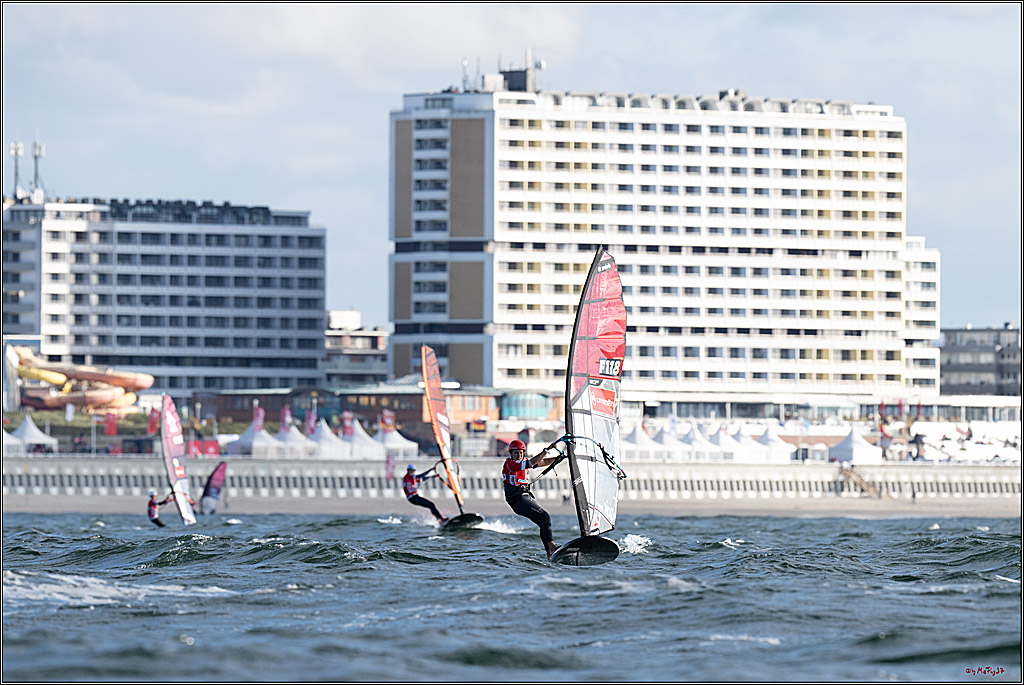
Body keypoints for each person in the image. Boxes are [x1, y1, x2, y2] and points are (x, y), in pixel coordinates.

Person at [502, 439, 561, 559]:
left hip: (525, 496)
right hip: (517, 500)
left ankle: (550, 552)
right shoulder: (510, 464)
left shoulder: (523, 462)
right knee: (545, 516)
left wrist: (561, 458)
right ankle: (551, 547)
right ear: (511, 454)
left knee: (543, 521)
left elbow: (542, 462)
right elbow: (533, 462)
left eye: (520, 453)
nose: (518, 455)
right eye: (516, 453)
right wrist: (546, 450)